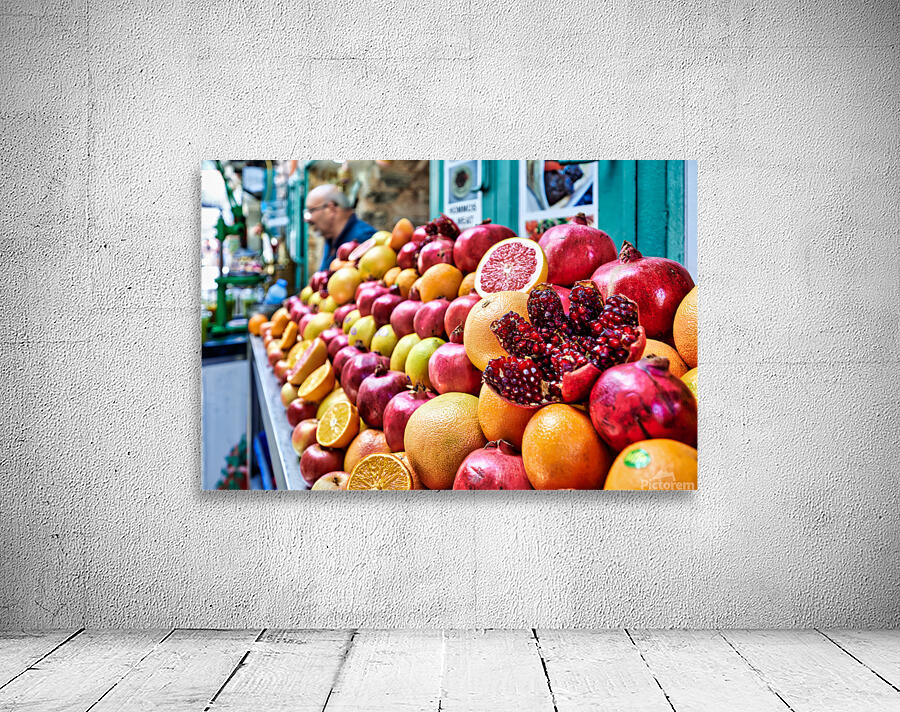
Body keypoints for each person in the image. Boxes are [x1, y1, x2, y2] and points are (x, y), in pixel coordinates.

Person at [304, 184, 376, 271]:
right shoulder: (330, 237)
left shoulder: (364, 237)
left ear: (331, 209)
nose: (306, 219)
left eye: (311, 210)